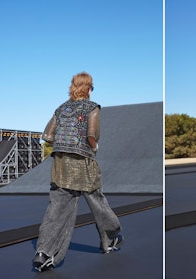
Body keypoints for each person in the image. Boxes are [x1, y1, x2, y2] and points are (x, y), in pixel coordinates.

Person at [33, 72, 123, 272]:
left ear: (72, 87)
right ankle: (111, 238)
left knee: (56, 208)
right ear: (89, 88)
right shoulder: (92, 108)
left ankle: (44, 252)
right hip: (82, 162)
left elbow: (47, 135)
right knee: (97, 202)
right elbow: (92, 135)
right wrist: (94, 147)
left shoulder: (61, 108)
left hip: (60, 164)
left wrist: (63, 142)